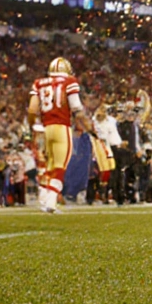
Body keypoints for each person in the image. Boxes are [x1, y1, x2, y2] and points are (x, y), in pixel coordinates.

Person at [27, 57, 94, 213]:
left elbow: (32, 109)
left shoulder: (39, 83)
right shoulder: (69, 81)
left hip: (45, 128)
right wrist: (89, 127)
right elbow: (76, 108)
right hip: (61, 127)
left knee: (49, 165)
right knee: (60, 165)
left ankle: (44, 199)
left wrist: (34, 125)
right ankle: (51, 201)